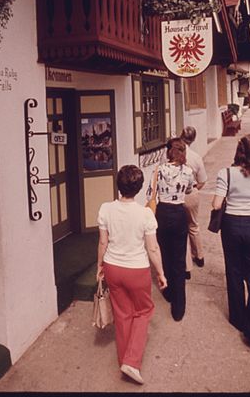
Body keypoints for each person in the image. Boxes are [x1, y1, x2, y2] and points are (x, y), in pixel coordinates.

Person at [97, 165, 167, 385]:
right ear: (138, 188)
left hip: (112, 267)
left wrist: (99, 266)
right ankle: (132, 362)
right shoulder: (145, 214)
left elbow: (102, 242)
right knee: (144, 311)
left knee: (123, 313)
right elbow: (153, 249)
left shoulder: (106, 209)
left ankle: (124, 361)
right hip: (136, 270)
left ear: (119, 185)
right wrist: (161, 273)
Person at [211, 134, 250, 348]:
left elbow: (217, 204)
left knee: (234, 272)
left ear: (239, 151)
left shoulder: (225, 173)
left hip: (232, 227)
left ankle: (238, 318)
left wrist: (220, 197)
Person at [149, 137, 194, 322]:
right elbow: (190, 190)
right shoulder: (188, 171)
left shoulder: (158, 170)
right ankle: (179, 306)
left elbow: (150, 194)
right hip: (178, 213)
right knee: (178, 258)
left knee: (164, 254)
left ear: (169, 152)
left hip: (162, 213)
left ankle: (167, 291)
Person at [180, 127, 208, 273]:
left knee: (181, 228)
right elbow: (203, 181)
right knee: (193, 225)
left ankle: (186, 264)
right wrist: (194, 187)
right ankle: (200, 256)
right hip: (191, 194)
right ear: (193, 139)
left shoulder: (169, 154)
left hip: (175, 196)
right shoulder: (196, 157)